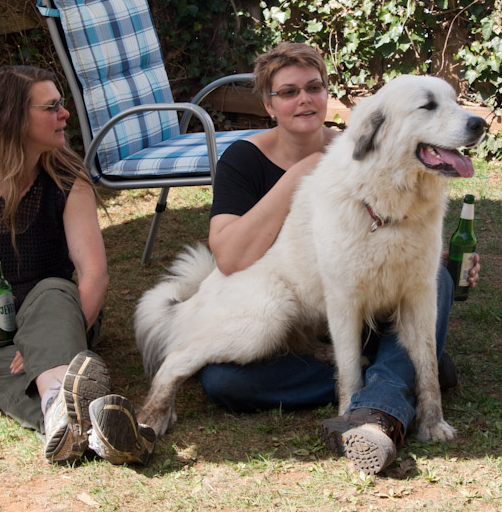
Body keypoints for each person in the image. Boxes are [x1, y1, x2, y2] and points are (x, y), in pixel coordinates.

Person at [198, 42, 481, 475]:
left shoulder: (364, 146)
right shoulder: (244, 160)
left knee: (437, 280)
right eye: (288, 92)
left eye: (314, 87)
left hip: (376, 308)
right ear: (268, 104)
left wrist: (434, 254)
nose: (305, 99)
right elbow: (230, 259)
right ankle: (391, 379)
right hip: (303, 316)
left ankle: (378, 406)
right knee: (223, 383)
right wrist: (300, 173)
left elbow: (397, 226)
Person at [0, 65, 154, 466]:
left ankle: (64, 414)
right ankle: (88, 423)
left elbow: (94, 274)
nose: (65, 114)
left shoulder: (67, 177)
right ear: (12, 118)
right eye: (52, 107)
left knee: (56, 287)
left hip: (53, 312)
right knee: (2, 362)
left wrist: (63, 342)